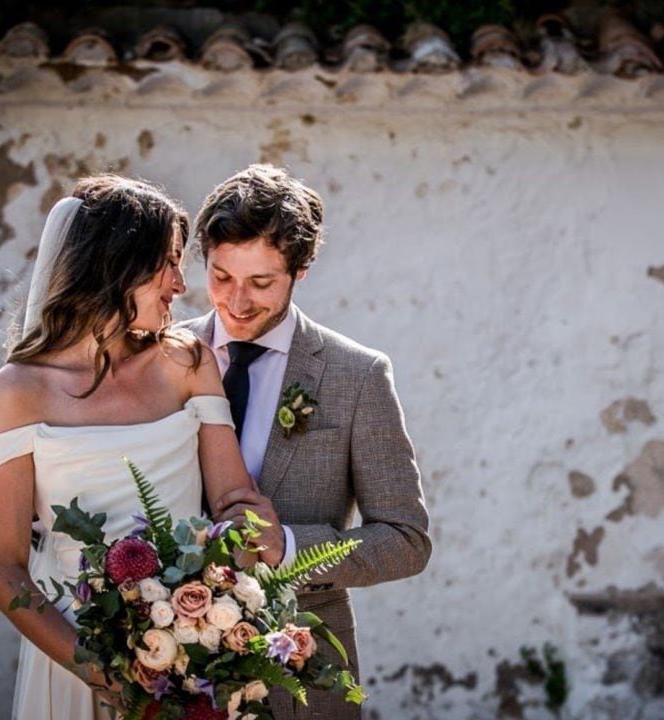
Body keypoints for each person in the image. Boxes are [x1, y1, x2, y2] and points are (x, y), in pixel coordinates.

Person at [0, 175, 255, 719]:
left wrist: (220, 617)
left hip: (187, 651)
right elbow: (2, 567)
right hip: (72, 651)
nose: (180, 284)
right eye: (168, 262)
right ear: (119, 265)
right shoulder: (19, 390)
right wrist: (103, 674)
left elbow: (234, 501)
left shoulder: (188, 363)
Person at [178, 164, 432, 719]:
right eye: (221, 277)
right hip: (169, 668)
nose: (237, 302)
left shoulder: (357, 376)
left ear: (301, 271)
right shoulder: (162, 356)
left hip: (303, 679)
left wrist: (287, 548)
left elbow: (407, 540)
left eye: (262, 283)